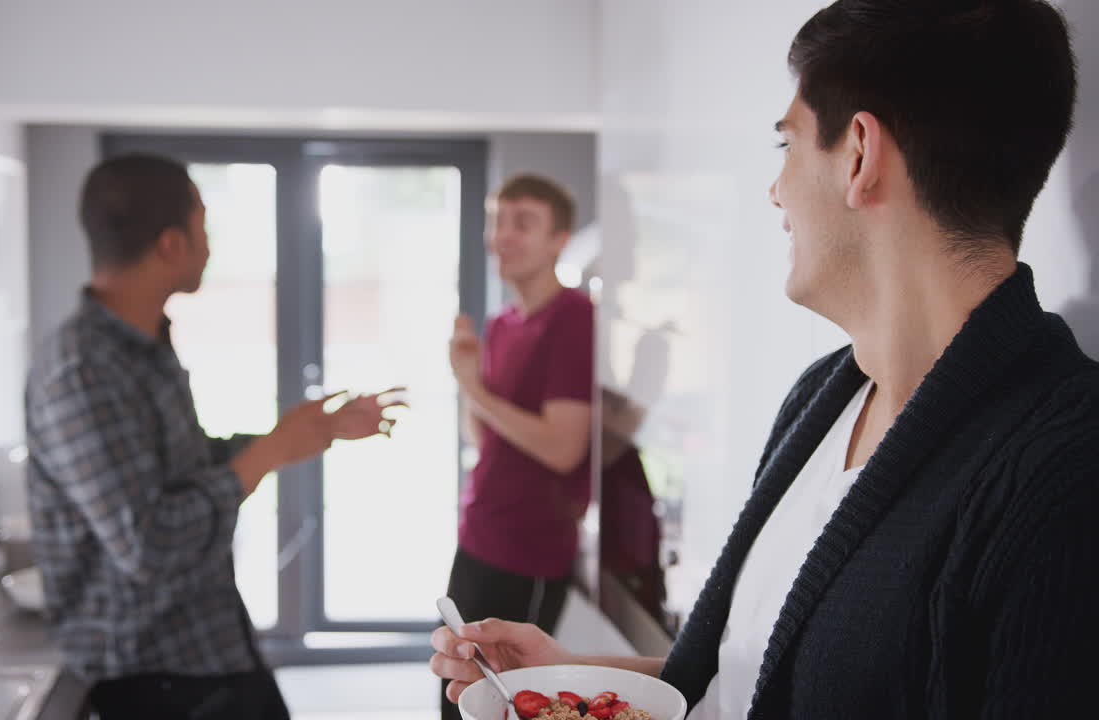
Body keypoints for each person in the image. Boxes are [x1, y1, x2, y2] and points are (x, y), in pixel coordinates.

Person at [432, 1, 1099, 718]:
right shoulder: (821, 398)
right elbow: (758, 674)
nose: (775, 190)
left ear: (859, 157)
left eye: (788, 146)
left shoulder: (1065, 473)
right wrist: (580, 676)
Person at [25, 154, 402, 720]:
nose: (210, 246)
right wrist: (270, 451)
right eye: (205, 228)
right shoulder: (81, 371)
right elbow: (149, 545)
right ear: (172, 243)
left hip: (206, 644)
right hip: (152, 678)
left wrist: (301, 434)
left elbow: (186, 464)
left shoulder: (144, 346)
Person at [444, 174, 594, 720]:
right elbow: (481, 436)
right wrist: (470, 375)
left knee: (508, 705)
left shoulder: (575, 318)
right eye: (498, 220)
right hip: (481, 532)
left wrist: (470, 386)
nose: (502, 236)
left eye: (523, 223)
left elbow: (562, 448)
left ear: (559, 239)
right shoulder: (503, 322)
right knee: (456, 695)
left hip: (530, 549)